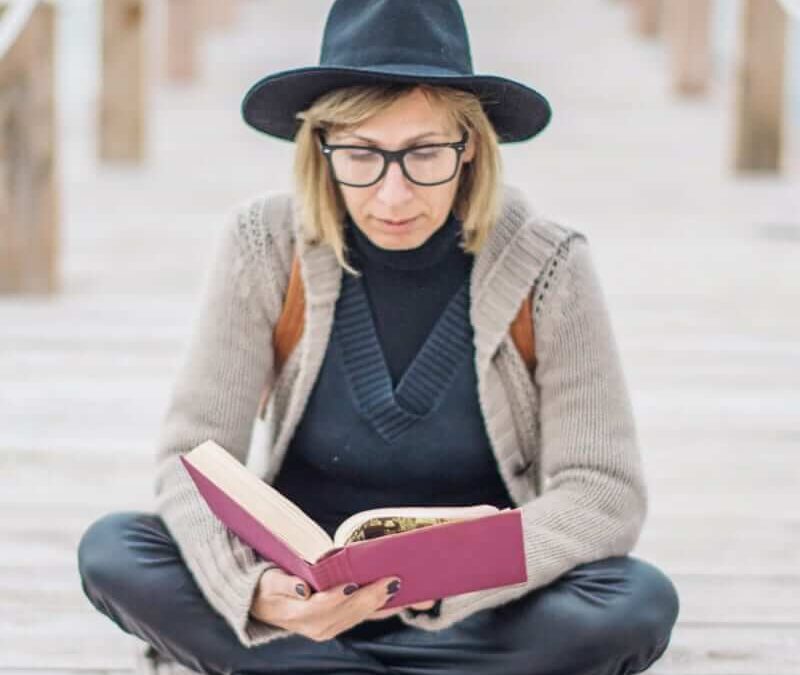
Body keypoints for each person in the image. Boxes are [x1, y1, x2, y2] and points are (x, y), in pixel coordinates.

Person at [76, 1, 680, 673]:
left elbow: (602, 490)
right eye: (362, 153)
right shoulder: (263, 244)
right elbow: (192, 454)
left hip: (478, 614)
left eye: (423, 152)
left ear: (470, 143)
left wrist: (440, 580)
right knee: (114, 550)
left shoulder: (550, 265)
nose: (393, 195)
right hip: (305, 613)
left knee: (637, 599)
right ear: (322, 146)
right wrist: (260, 595)